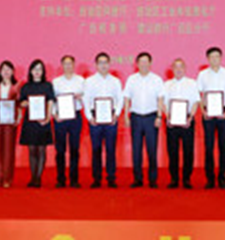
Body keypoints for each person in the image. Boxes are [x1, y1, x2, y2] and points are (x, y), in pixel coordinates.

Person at [195, 46, 225, 190]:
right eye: (212, 57)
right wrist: (202, 111)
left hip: (223, 112)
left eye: (217, 56)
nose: (214, 59)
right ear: (207, 59)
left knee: (223, 147)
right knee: (209, 146)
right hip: (208, 113)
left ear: (221, 58)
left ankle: (222, 178)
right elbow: (198, 94)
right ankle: (210, 179)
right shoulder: (202, 74)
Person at [123, 51, 165, 188]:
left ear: (150, 63)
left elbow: (160, 99)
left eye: (146, 62)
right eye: (141, 62)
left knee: (152, 149)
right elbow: (127, 98)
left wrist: (159, 116)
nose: (144, 64)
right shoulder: (131, 79)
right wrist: (126, 116)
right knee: (136, 150)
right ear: (137, 64)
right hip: (135, 117)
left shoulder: (157, 79)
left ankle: (153, 179)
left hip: (151, 117)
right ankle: (138, 179)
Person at [83, 52, 123, 188]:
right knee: (96, 149)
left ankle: (111, 177)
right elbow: (86, 100)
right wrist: (90, 117)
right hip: (95, 118)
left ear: (109, 64)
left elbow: (120, 99)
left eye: (105, 62)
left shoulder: (115, 81)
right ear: (96, 65)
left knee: (111, 149)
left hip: (111, 118)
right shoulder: (89, 81)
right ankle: (97, 178)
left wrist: (116, 115)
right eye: (100, 63)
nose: (103, 65)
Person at [162, 58, 199, 189]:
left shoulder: (192, 83)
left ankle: (187, 178)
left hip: (187, 120)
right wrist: (167, 117)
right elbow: (163, 103)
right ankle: (174, 178)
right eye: (176, 67)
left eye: (181, 66)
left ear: (185, 68)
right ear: (172, 69)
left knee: (188, 150)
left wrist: (190, 117)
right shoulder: (166, 84)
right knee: (172, 151)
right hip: (171, 121)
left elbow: (196, 102)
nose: (178, 69)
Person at [20, 59, 56, 188]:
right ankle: (33, 177)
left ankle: (38, 178)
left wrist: (47, 118)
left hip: (43, 121)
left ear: (43, 71)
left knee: (41, 150)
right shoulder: (25, 86)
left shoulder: (48, 86)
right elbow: (21, 103)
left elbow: (50, 102)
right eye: (35, 69)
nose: (37, 71)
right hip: (30, 122)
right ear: (30, 71)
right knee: (32, 150)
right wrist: (26, 103)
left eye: (40, 69)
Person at [52, 54, 84, 188]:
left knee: (75, 149)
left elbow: (86, 99)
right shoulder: (56, 82)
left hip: (75, 116)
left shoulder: (81, 81)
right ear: (62, 66)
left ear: (74, 65)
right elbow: (52, 101)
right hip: (60, 118)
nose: (68, 66)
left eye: (70, 63)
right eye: (65, 64)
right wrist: (54, 114)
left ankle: (74, 179)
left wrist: (80, 97)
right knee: (60, 150)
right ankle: (60, 179)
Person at [0, 60, 20, 188]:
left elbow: (19, 104)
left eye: (8, 69)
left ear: (13, 72)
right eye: (3, 69)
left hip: (10, 121)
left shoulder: (17, 86)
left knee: (9, 150)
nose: (6, 72)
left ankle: (7, 179)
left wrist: (18, 117)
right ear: (0, 72)